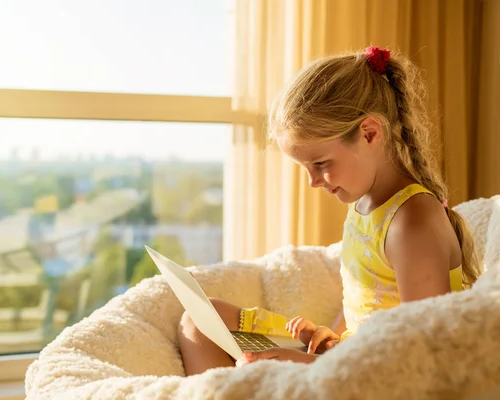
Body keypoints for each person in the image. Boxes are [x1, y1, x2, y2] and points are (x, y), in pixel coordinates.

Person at [177, 46, 481, 376]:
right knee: (200, 320)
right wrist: (330, 340)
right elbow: (363, 300)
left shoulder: (412, 222)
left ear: (369, 133)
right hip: (349, 354)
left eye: (320, 164)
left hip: (380, 375)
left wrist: (311, 364)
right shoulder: (365, 202)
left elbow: (419, 356)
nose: (313, 182)